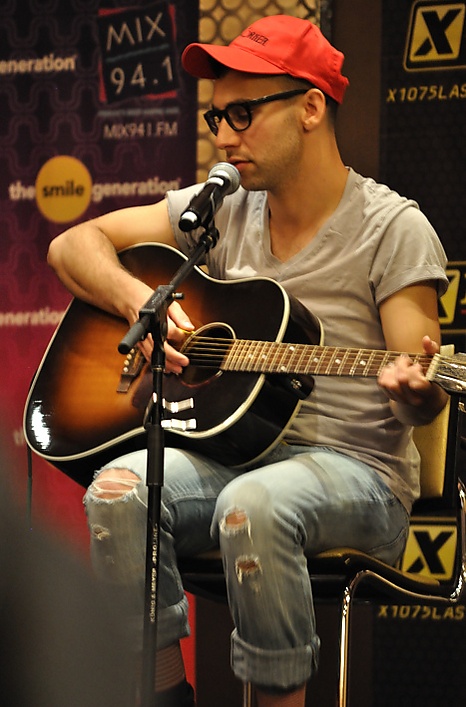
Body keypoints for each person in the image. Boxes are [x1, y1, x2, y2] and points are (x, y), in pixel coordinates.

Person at [47, 14, 449, 707]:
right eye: (216, 119)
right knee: (119, 491)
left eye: (242, 114)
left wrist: (416, 392)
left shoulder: (393, 227)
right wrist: (140, 300)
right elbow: (71, 246)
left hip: (360, 474)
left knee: (252, 505)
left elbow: (422, 391)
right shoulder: (221, 210)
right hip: (237, 453)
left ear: (310, 109)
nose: (224, 138)